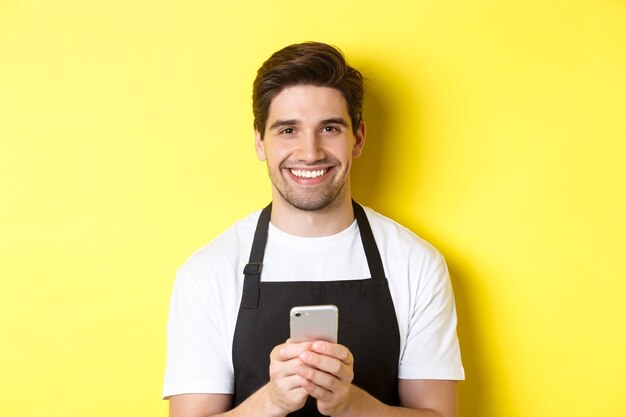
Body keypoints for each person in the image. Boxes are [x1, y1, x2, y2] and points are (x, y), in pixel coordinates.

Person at [163, 41, 464, 417]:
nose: (310, 152)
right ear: (260, 141)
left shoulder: (415, 264)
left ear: (358, 138)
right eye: (288, 129)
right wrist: (271, 401)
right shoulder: (208, 272)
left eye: (330, 128)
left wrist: (350, 403)